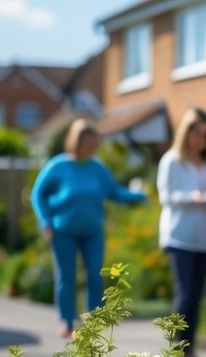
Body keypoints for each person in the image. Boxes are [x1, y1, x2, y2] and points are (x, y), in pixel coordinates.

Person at [31, 118, 148, 338]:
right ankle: (66, 322)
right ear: (77, 141)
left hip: (92, 232)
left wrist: (139, 195)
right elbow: (38, 195)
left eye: (94, 145)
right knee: (67, 277)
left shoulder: (97, 168)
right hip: (63, 231)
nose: (92, 149)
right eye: (88, 144)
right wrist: (45, 222)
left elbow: (114, 192)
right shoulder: (58, 166)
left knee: (95, 275)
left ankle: (93, 321)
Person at [157, 107, 206, 357]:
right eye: (199, 133)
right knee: (184, 295)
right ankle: (178, 353)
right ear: (187, 132)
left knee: (195, 297)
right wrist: (191, 197)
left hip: (205, 239)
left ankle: (190, 353)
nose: (202, 140)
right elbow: (166, 197)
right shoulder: (172, 160)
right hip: (180, 237)